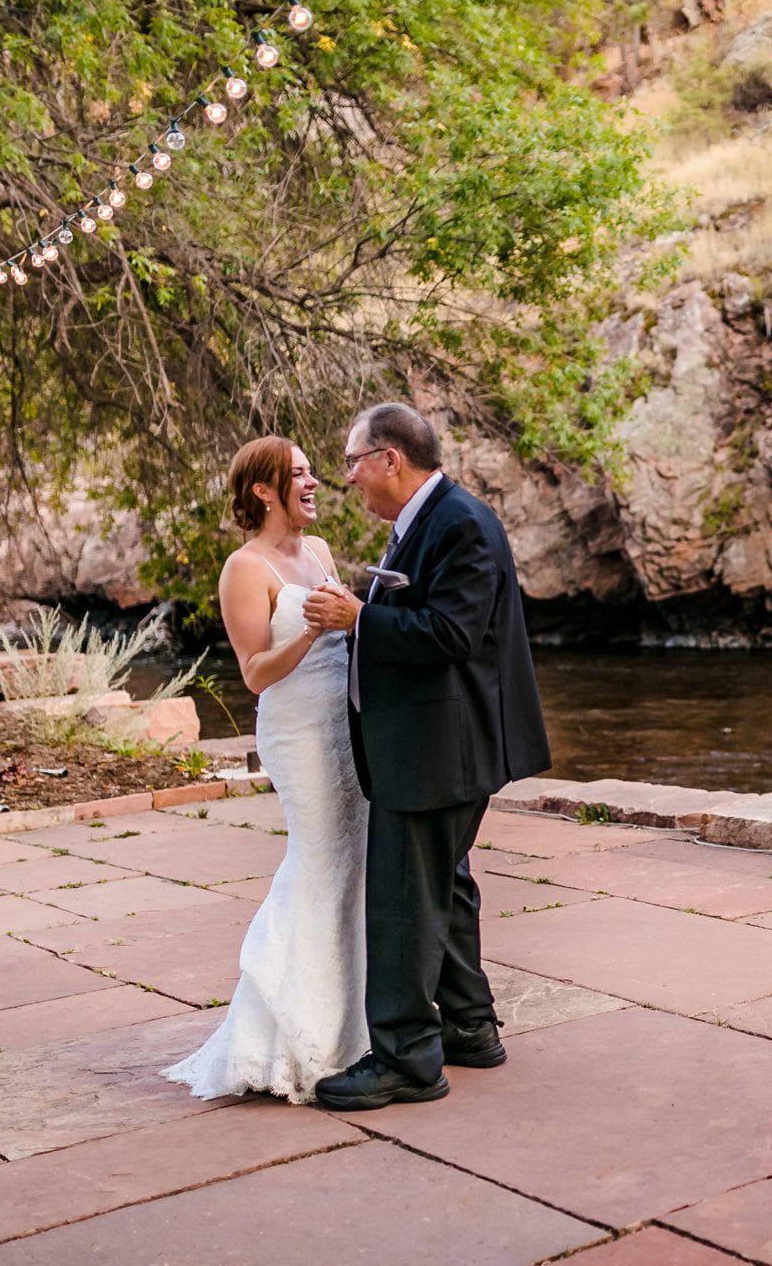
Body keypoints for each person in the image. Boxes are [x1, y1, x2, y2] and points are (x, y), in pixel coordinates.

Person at [300, 402, 551, 1111]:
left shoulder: (460, 523)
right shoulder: (429, 521)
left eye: (352, 461)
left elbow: (454, 634)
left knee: (407, 899)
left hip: (442, 746)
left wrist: (360, 618)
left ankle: (408, 1056)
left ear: (390, 460)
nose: (348, 478)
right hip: (438, 743)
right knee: (445, 885)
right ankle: (469, 1025)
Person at [163, 437, 369, 1104]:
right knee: (317, 862)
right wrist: (309, 631)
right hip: (299, 732)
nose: (314, 482)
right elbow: (255, 673)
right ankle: (291, 1034)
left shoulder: (320, 551)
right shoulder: (243, 569)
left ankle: (357, 1030)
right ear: (264, 489)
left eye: (313, 472)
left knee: (355, 864)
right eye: (300, 473)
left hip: (343, 723)